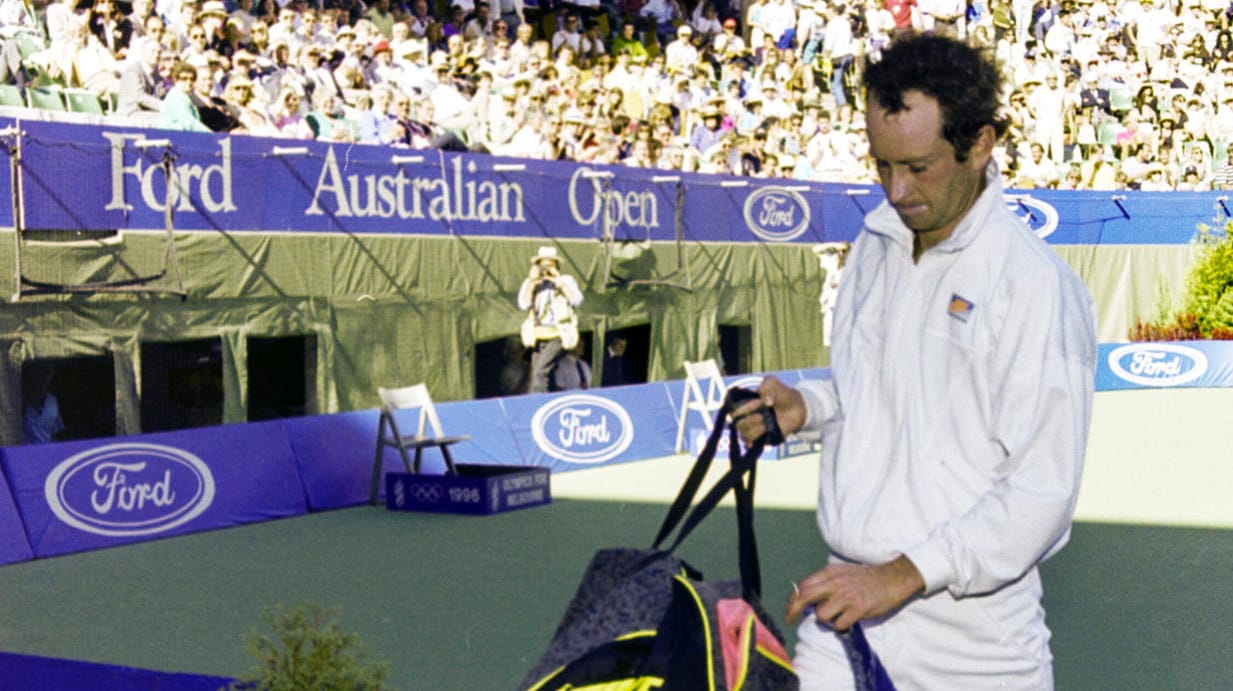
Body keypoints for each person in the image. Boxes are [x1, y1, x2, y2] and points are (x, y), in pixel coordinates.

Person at [732, 33, 1096, 689]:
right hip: (845, 608)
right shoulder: (874, 244)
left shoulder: (1035, 285)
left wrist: (899, 575)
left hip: (976, 644)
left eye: (919, 167)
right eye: (881, 166)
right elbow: (870, 392)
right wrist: (807, 408)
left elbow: (1041, 492)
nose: (896, 191)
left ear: (980, 144)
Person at [517, 246, 583, 394]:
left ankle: (537, 404)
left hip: (558, 334)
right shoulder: (532, 283)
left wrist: (559, 282)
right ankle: (549, 399)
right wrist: (532, 283)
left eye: (550, 265)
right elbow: (523, 304)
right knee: (537, 374)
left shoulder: (566, 280)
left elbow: (577, 301)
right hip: (539, 335)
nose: (545, 269)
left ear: (556, 265)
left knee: (540, 372)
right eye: (543, 265)